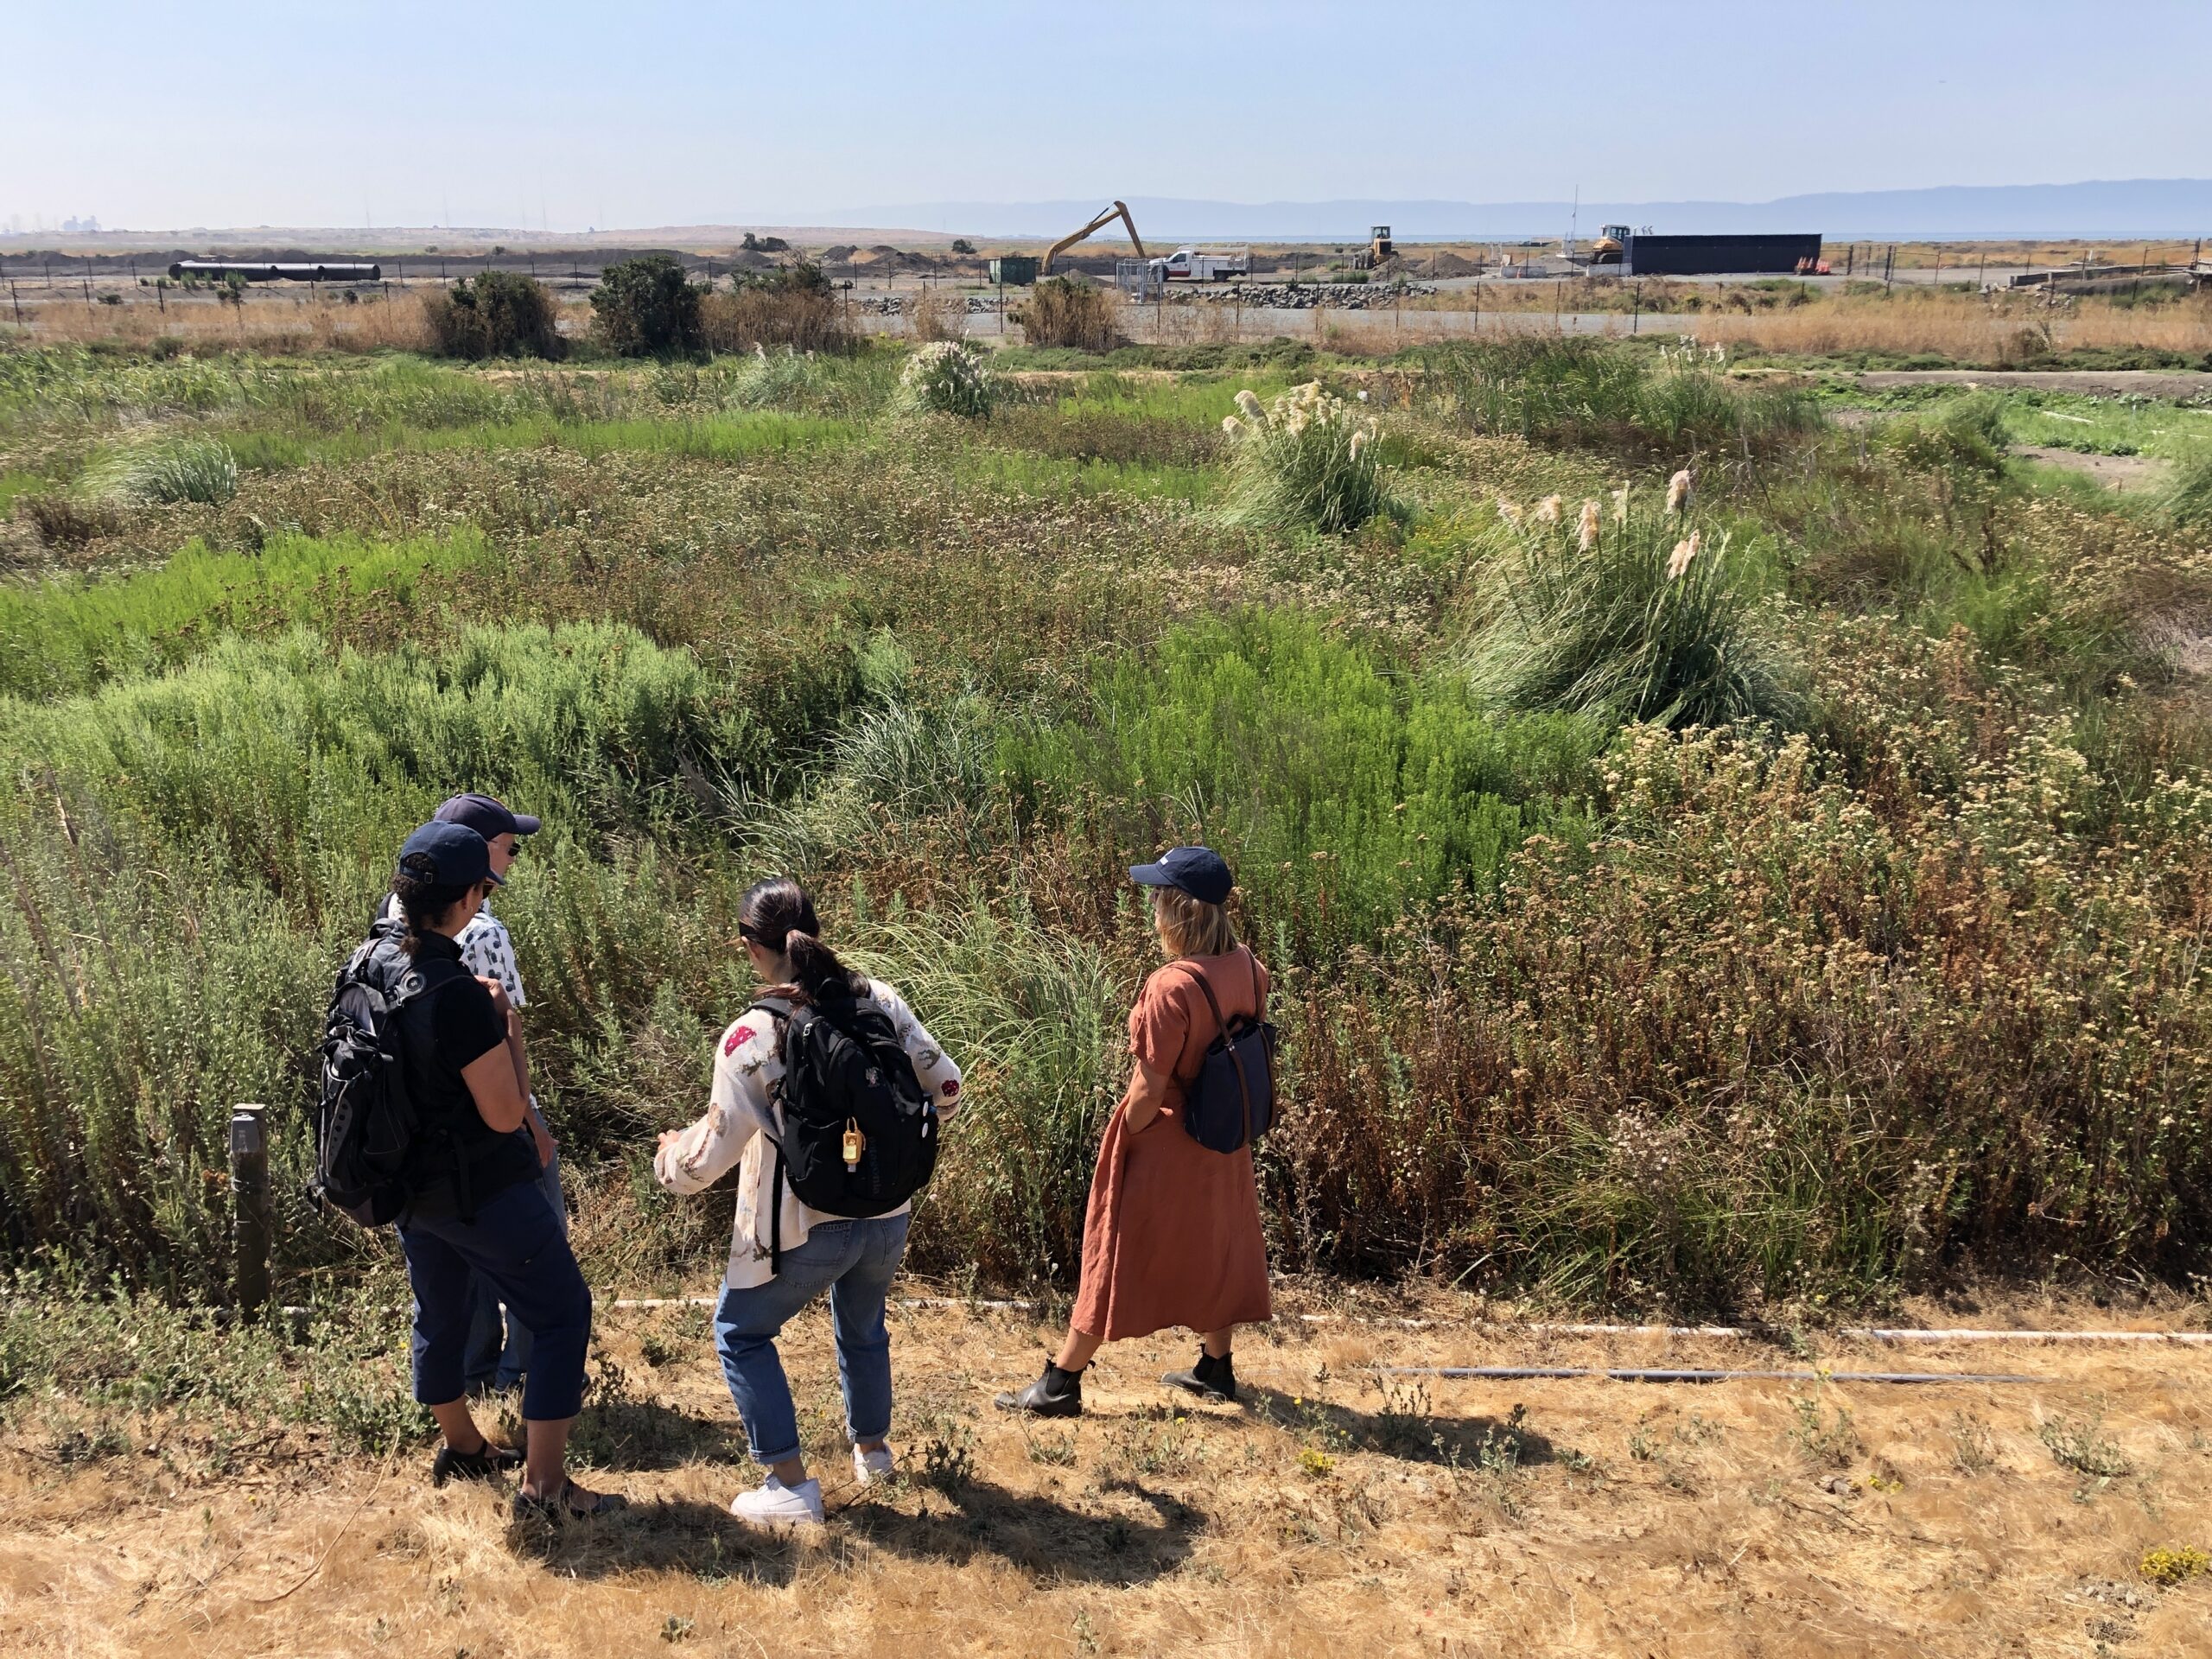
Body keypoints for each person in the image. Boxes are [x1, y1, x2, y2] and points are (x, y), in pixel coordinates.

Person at [655, 878, 963, 1529]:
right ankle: (873, 1452)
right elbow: (947, 1083)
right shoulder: (876, 997)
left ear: (751, 950)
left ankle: (788, 1485)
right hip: (887, 1214)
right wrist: (875, 1146)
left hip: (803, 1227)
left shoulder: (748, 1039)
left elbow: (706, 1162)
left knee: (740, 1333)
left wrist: (667, 1158)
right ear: (817, 929)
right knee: (862, 1323)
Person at [380, 819, 620, 1521]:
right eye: (484, 887)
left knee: (442, 1310)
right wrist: (507, 1028)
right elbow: (504, 1110)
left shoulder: (369, 963)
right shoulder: (456, 992)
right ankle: (546, 1487)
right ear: (467, 897)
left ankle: (461, 1445)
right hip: (475, 1189)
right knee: (560, 1310)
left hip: (409, 1190)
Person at [998, 846, 1272, 1417]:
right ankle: (1216, 1368)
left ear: (1177, 910)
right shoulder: (1249, 966)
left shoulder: (1171, 986)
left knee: (1115, 1252)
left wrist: (1121, 1131)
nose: (1150, 906)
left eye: (1156, 896)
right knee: (1213, 1246)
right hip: (1224, 1138)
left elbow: (1148, 1090)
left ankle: (1061, 1382)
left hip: (1170, 1140)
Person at [380, 792, 560, 1396]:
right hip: (487, 1133)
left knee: (445, 1281)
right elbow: (501, 1063)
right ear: (477, 864)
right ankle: (526, 1377)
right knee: (544, 1259)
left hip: (417, 1144)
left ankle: (473, 1377)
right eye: (509, 849)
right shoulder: (485, 933)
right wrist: (534, 1127)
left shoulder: (392, 921)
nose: (513, 860)